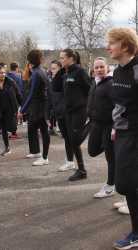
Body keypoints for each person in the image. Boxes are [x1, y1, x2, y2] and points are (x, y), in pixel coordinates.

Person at [106, 27, 138, 250]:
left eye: (112, 42)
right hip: (122, 132)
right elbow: (119, 104)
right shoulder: (117, 71)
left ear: (125, 46)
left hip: (135, 134)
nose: (108, 46)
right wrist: (115, 127)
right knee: (128, 184)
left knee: (127, 184)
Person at [59, 49, 91, 181]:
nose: (60, 60)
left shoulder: (80, 72)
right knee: (72, 141)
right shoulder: (65, 73)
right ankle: (82, 170)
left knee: (75, 140)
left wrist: (89, 109)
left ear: (71, 58)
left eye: (62, 58)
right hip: (69, 112)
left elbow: (90, 90)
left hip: (80, 111)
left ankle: (91, 124)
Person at [87, 57, 115, 198]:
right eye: (96, 67)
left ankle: (110, 186)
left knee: (110, 158)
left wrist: (115, 127)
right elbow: (91, 100)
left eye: (101, 67)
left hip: (109, 124)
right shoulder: (95, 82)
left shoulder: (110, 83)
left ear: (107, 67)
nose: (99, 69)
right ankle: (108, 146)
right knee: (92, 150)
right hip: (96, 123)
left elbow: (118, 105)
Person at [19, 49, 50, 166]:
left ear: (30, 60)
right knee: (32, 127)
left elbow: (32, 93)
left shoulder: (37, 73)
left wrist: (22, 110)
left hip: (40, 106)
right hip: (39, 105)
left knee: (43, 130)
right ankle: (36, 152)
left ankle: (45, 157)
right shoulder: (40, 70)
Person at [0, 65, 22, 156]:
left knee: (12, 127)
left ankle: (12, 133)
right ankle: (7, 147)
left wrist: (22, 107)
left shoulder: (10, 82)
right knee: (3, 129)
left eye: (4, 72)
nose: (3, 74)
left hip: (11, 109)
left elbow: (18, 94)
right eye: (1, 73)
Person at [7, 62, 23, 139]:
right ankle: (13, 133)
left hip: (7, 98)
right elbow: (20, 88)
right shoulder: (18, 77)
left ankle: (10, 131)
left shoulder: (6, 76)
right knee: (15, 115)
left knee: (9, 115)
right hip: (15, 98)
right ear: (16, 68)